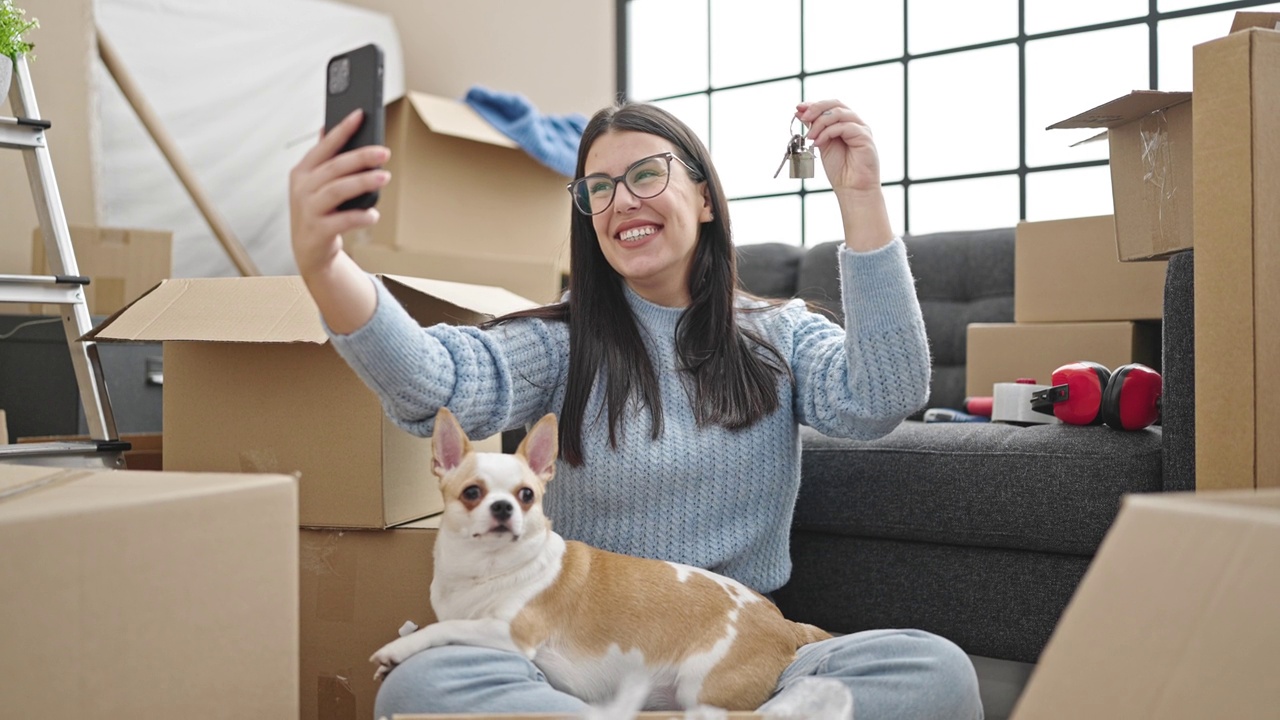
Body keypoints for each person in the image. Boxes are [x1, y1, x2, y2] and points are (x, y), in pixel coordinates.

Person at [289, 98, 984, 720]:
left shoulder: (782, 337)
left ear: (705, 198)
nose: (622, 201)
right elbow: (435, 386)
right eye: (598, 189)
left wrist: (862, 199)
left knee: (936, 671)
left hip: (734, 655)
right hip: (565, 663)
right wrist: (325, 263)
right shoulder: (558, 344)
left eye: (646, 175)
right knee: (419, 689)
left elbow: (884, 396)